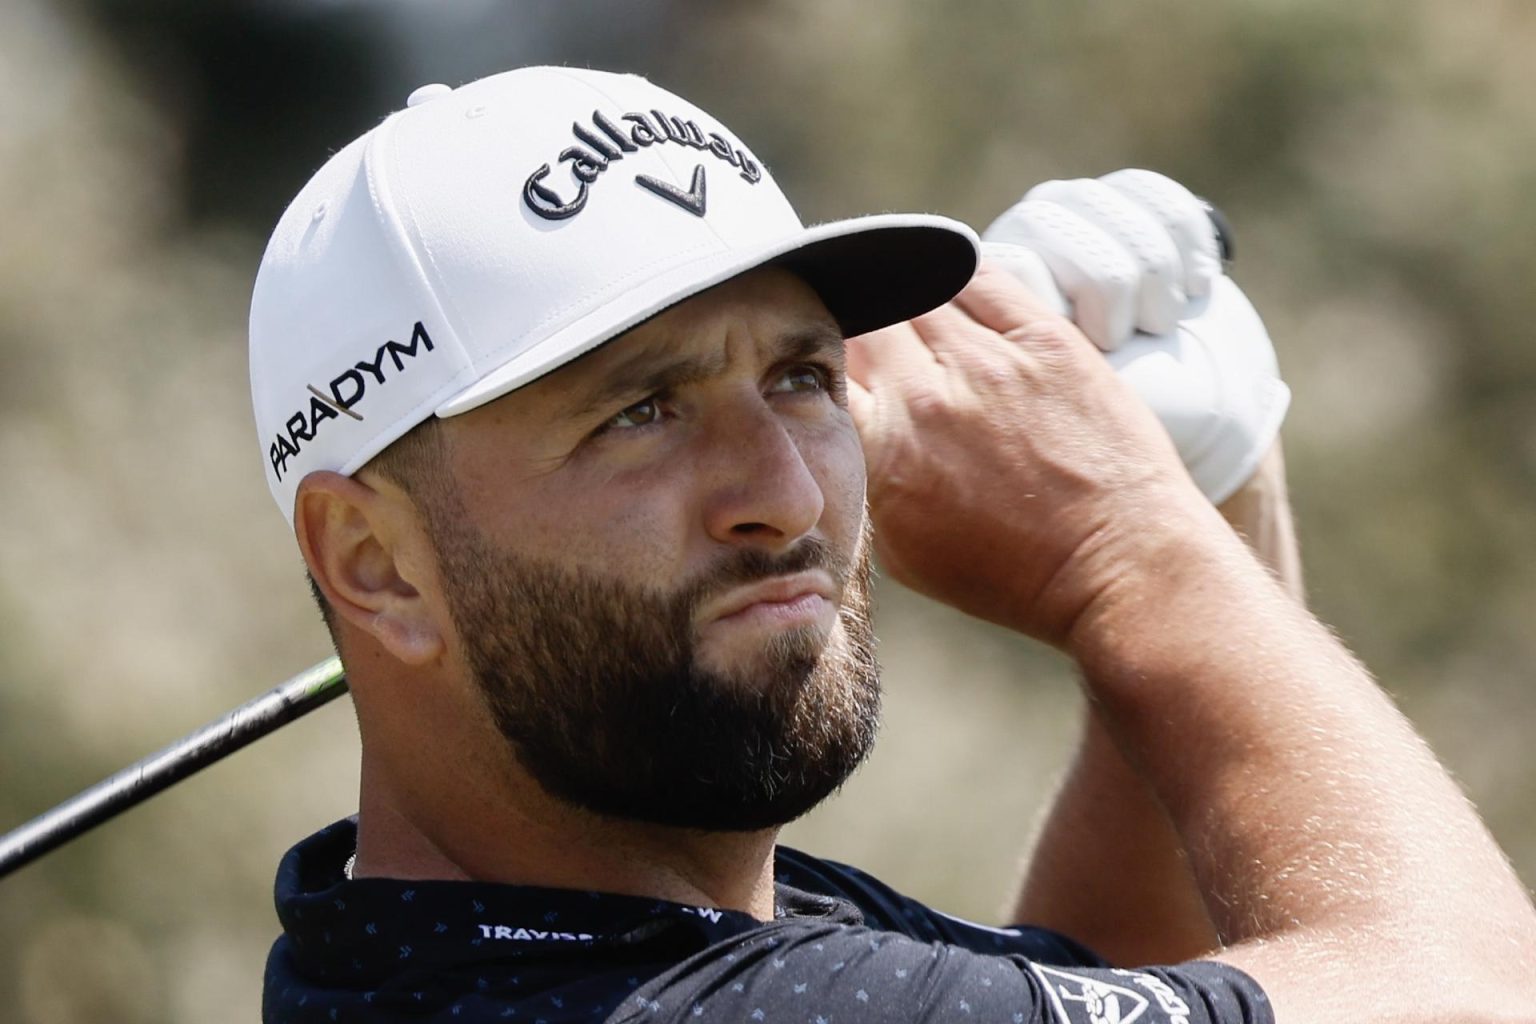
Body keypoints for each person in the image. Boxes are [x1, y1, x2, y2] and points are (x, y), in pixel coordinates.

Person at [250, 67, 1536, 1022]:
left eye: (802, 378)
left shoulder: (416, 940)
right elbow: (1474, 996)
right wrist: (1122, 540)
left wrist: (1211, 491)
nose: (785, 496)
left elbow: (1109, 982)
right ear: (373, 560)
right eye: (642, 413)